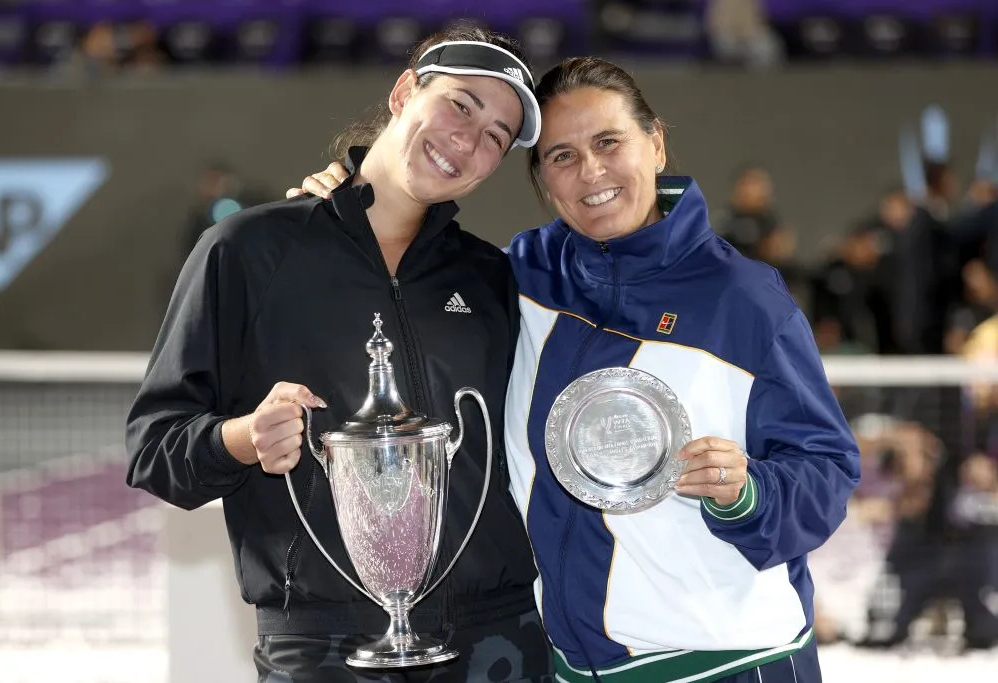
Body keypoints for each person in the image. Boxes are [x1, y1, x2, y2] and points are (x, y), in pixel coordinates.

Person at [293, 56, 861, 682]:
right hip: (572, 667)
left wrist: (747, 491)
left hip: (730, 661)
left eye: (609, 142)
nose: (591, 172)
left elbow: (828, 469)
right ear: (542, 179)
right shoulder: (522, 275)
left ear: (656, 143)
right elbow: (403, 273)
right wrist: (350, 203)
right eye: (562, 156)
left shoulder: (744, 300)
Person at [126, 26, 555, 683]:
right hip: (325, 646)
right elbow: (154, 450)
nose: (468, 141)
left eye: (497, 136)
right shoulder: (248, 252)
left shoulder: (491, 277)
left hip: (496, 640)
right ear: (404, 91)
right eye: (459, 105)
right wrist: (242, 439)